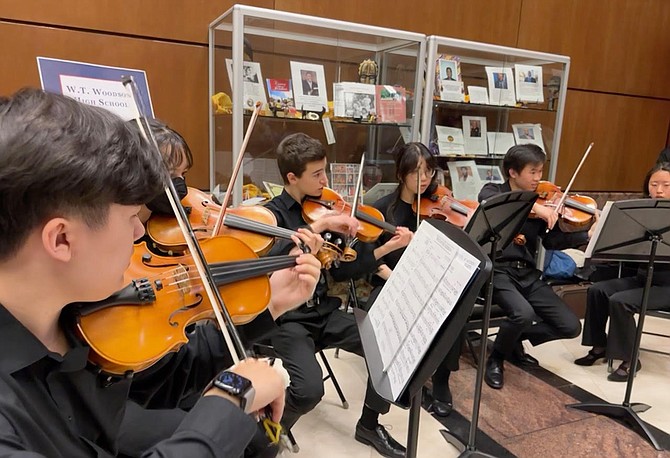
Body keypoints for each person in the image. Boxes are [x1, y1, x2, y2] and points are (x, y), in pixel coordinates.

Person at [0, 87, 321, 457]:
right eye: (129, 217)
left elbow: (161, 377)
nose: (140, 232)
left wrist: (268, 306)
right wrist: (227, 404)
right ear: (61, 239)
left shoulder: (67, 319)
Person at [264, 132, 413, 457]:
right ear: (292, 177)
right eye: (317, 174)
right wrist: (315, 230)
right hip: (288, 320)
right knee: (308, 392)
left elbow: (342, 271)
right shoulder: (271, 215)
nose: (325, 180)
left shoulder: (323, 210)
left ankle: (369, 425)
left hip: (325, 312)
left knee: (388, 350)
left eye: (325, 171)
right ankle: (269, 432)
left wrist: (385, 247)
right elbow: (265, 266)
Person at [479, 144, 593, 390]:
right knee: (523, 314)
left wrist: (585, 235)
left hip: (527, 273)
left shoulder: (543, 202)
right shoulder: (492, 190)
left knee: (570, 326)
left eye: (540, 172)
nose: (538, 179)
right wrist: (536, 207)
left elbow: (551, 241)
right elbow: (492, 202)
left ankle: (512, 341)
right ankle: (496, 358)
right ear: (512, 172)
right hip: (498, 271)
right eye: (533, 172)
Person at [371, 142, 463, 417]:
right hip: (390, 281)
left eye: (429, 172)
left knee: (454, 310)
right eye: (416, 173)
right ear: (401, 174)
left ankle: (442, 378)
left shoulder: (436, 204)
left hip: (427, 281)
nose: (424, 179)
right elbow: (370, 259)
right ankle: (407, 377)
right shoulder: (383, 209)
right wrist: (393, 277)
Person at [574, 162, 670, 381]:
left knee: (620, 301)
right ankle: (600, 346)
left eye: (666, 185)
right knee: (597, 290)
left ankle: (630, 359)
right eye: (654, 184)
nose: (659, 190)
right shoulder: (642, 214)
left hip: (667, 286)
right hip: (643, 278)